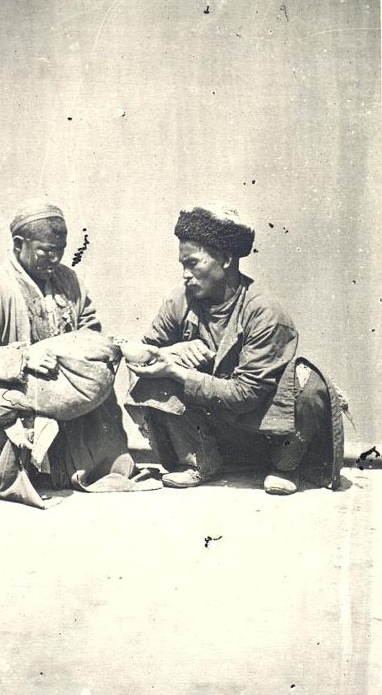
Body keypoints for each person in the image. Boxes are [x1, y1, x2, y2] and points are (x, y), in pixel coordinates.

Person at [0, 199, 157, 507]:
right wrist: (23, 359)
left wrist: (111, 348)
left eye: (60, 250)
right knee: (6, 410)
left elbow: (89, 332)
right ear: (19, 244)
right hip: (18, 391)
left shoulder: (69, 281)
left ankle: (79, 464)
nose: (54, 259)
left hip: (66, 395)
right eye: (45, 251)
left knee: (99, 405)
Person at [125, 203, 344, 495]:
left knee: (308, 383)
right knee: (150, 377)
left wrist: (178, 371)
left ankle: (286, 466)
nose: (185, 275)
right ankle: (201, 461)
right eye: (182, 265)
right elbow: (143, 354)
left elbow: (245, 395)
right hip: (211, 432)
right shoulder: (180, 300)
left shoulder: (265, 312)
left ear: (226, 259)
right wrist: (173, 352)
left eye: (193, 263)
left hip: (263, 431)